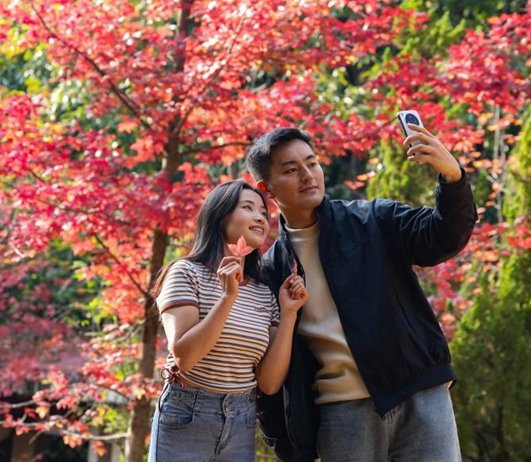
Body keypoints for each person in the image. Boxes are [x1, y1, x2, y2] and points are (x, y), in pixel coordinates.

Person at [245, 124, 477, 462]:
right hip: (342, 412)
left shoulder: (373, 219)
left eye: (312, 163)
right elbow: (273, 373)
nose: (308, 175)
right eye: (291, 170)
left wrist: (453, 178)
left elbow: (442, 237)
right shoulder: (271, 270)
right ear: (266, 189)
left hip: (420, 394)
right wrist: (289, 442)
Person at [148, 180, 308, 462]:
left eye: (263, 212)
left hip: (241, 418)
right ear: (221, 216)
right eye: (248, 208)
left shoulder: (263, 293)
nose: (260, 217)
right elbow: (185, 357)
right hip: (186, 415)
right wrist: (227, 297)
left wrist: (289, 314)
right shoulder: (185, 273)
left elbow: (269, 384)